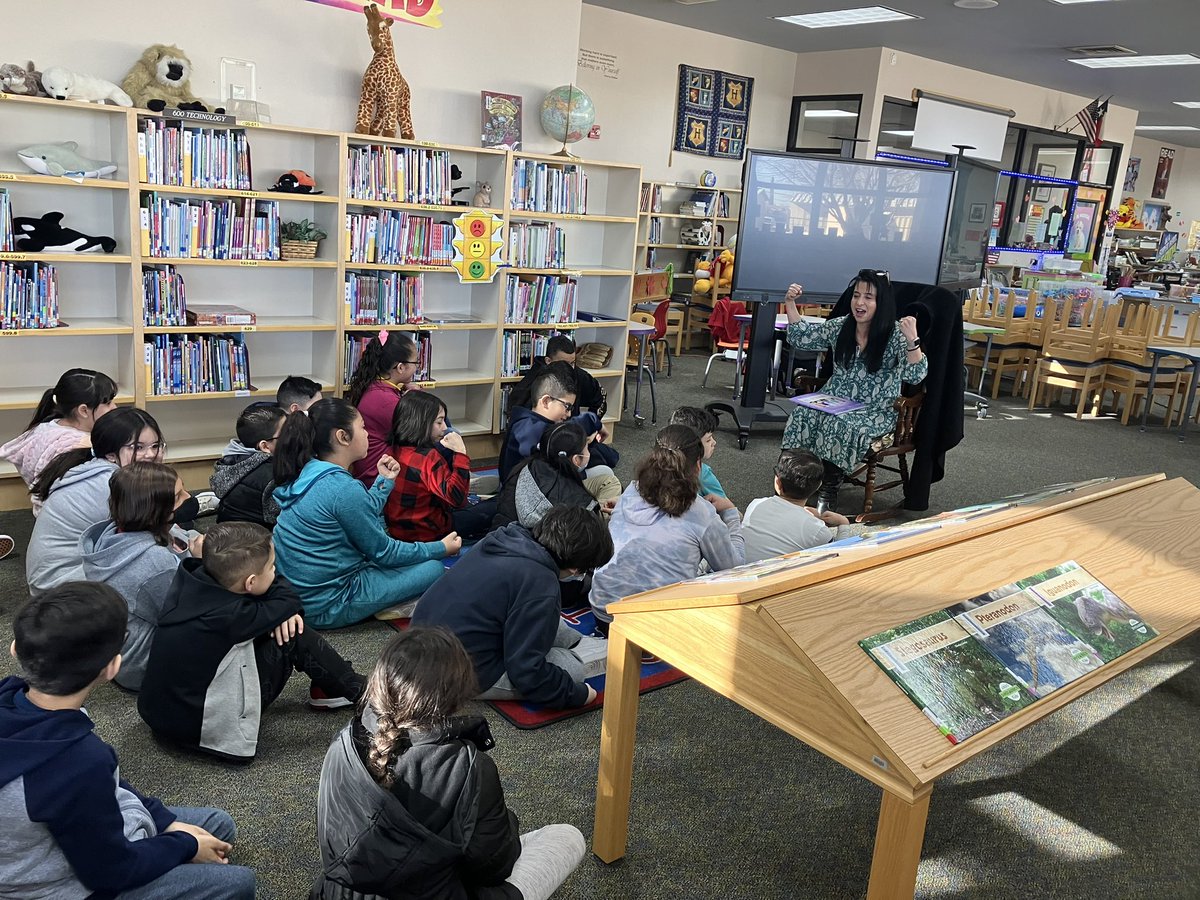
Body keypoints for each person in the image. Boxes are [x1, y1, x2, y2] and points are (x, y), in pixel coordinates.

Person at [0, 582, 255, 899]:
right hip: (60, 886)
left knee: (217, 824)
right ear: (112, 667)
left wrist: (164, 823)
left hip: (43, 845)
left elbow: (102, 783)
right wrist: (183, 844)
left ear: (15, 649)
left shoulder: (13, 697)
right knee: (238, 882)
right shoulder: (76, 761)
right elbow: (109, 871)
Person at [311, 627, 587, 899]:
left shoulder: (344, 740)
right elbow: (495, 867)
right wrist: (505, 820)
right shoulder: (469, 768)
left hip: (335, 893)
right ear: (455, 696)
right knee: (566, 837)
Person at [138, 522, 367, 762]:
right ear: (249, 583)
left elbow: (281, 601)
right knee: (294, 635)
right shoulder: (233, 616)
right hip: (202, 732)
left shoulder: (193, 577)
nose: (275, 571)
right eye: (271, 567)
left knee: (282, 620)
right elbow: (289, 599)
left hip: (162, 716)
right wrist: (282, 611)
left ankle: (333, 685)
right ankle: (365, 694)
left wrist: (279, 608)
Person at [272, 398, 457, 629]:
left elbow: (357, 514)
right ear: (342, 436)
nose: (368, 434)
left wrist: (383, 483)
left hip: (297, 595)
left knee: (398, 548)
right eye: (362, 427)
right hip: (328, 604)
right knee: (433, 568)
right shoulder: (342, 488)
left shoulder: (309, 470)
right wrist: (441, 548)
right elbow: (385, 552)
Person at [413, 506, 612, 708]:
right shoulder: (541, 583)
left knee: (549, 620)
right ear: (576, 568)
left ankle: (577, 642)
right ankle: (582, 651)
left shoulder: (506, 537)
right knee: (573, 669)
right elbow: (526, 672)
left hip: (419, 645)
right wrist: (575, 695)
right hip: (454, 673)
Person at [782, 270, 927, 511]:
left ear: (881, 303)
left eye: (868, 297)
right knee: (801, 415)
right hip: (834, 399)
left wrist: (913, 341)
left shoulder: (895, 335)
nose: (860, 303)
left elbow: (916, 376)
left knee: (843, 425)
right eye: (856, 295)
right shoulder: (841, 326)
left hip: (876, 410)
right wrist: (790, 303)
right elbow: (802, 337)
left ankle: (827, 494)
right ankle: (789, 486)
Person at [590, 424, 744, 629]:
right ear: (698, 467)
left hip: (603, 611)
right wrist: (731, 513)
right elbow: (735, 571)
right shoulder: (701, 511)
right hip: (659, 626)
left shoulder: (632, 489)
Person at [80, 462, 201, 692]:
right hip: (144, 666)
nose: (188, 497)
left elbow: (183, 537)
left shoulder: (118, 529)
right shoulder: (154, 563)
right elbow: (189, 613)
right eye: (177, 497)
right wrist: (202, 564)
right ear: (153, 510)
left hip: (120, 650)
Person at [25, 408, 167, 597]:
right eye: (138, 447)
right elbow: (150, 536)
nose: (151, 455)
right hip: (59, 588)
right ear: (110, 454)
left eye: (155, 446)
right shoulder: (112, 483)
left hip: (50, 579)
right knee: (158, 562)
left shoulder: (97, 469)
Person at [499, 363, 619, 509]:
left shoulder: (526, 420)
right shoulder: (530, 429)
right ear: (546, 401)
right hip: (534, 498)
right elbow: (563, 432)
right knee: (607, 478)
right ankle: (594, 519)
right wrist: (592, 423)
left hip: (538, 490)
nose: (568, 414)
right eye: (567, 407)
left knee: (603, 471)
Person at [0, 367, 118, 516]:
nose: (114, 407)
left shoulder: (44, 427)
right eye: (108, 403)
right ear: (83, 410)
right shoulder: (81, 447)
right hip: (73, 520)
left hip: (45, 515)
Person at [384, 390, 496, 542]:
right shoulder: (428, 457)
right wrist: (460, 452)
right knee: (498, 505)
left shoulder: (393, 449)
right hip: (431, 532)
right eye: (439, 421)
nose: (445, 427)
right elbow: (457, 500)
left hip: (399, 530)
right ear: (421, 423)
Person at [742, 449, 851, 563]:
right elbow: (839, 557)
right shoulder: (817, 530)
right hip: (779, 578)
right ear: (819, 486)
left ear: (778, 482)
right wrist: (843, 523)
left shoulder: (755, 504)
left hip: (739, 572)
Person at [346, 330, 424, 486]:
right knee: (444, 435)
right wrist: (417, 398)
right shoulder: (386, 400)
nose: (418, 368)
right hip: (379, 478)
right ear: (401, 367)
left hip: (378, 471)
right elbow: (423, 432)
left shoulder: (376, 386)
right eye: (416, 363)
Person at [492, 422, 601, 530]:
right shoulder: (580, 504)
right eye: (587, 447)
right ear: (576, 459)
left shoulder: (526, 466)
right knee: (608, 479)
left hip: (503, 536)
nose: (589, 451)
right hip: (541, 543)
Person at [210, 402, 286, 528]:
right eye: (286, 433)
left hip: (225, 533)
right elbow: (282, 518)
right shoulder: (272, 475)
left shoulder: (232, 459)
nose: (292, 436)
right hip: (256, 541)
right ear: (265, 446)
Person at [508, 334, 607, 417]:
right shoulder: (534, 381)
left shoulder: (577, 374)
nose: (569, 368)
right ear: (548, 361)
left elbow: (600, 395)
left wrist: (590, 426)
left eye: (572, 363)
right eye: (563, 363)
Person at [669, 406, 726, 499]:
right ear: (693, 445)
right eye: (708, 440)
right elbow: (725, 504)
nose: (714, 442)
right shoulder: (702, 473)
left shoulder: (659, 466)